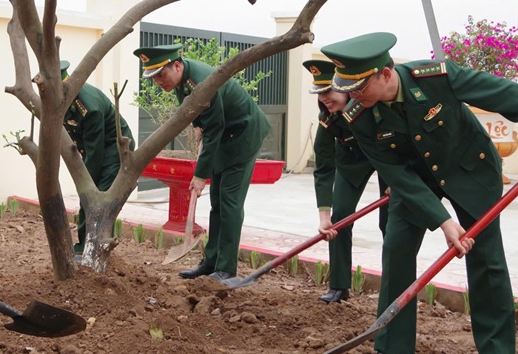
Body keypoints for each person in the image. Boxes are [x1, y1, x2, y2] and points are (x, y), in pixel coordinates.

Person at [321, 32, 518, 354]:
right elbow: (397, 175)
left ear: (385, 75)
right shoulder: (359, 117)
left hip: (470, 170)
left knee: (485, 257)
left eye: (359, 87)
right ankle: (394, 349)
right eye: (349, 89)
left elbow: (509, 95)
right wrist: (443, 222)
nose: (354, 95)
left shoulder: (437, 77)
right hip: (415, 182)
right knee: (397, 247)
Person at [132, 44, 271, 281]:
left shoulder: (201, 83)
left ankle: (226, 269)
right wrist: (197, 127)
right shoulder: (182, 80)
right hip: (225, 135)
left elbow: (215, 128)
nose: (158, 82)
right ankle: (212, 262)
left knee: (229, 203)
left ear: (177, 66)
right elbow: (193, 109)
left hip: (243, 135)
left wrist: (199, 176)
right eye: (153, 78)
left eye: (161, 75)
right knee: (217, 202)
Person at [304, 59, 388, 303]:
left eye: (327, 91)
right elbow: (323, 168)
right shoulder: (328, 119)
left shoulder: (371, 105)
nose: (323, 99)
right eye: (319, 94)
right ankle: (339, 287)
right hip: (351, 161)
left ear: (344, 87)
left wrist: (399, 180)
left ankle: (393, 285)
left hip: (387, 160)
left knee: (390, 222)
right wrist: (324, 216)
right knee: (339, 219)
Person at [60, 60, 135, 259]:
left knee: (97, 195)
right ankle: (84, 245)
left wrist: (84, 182)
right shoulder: (64, 99)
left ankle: (93, 247)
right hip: (93, 148)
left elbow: (95, 152)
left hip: (113, 148)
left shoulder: (88, 107)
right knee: (89, 194)